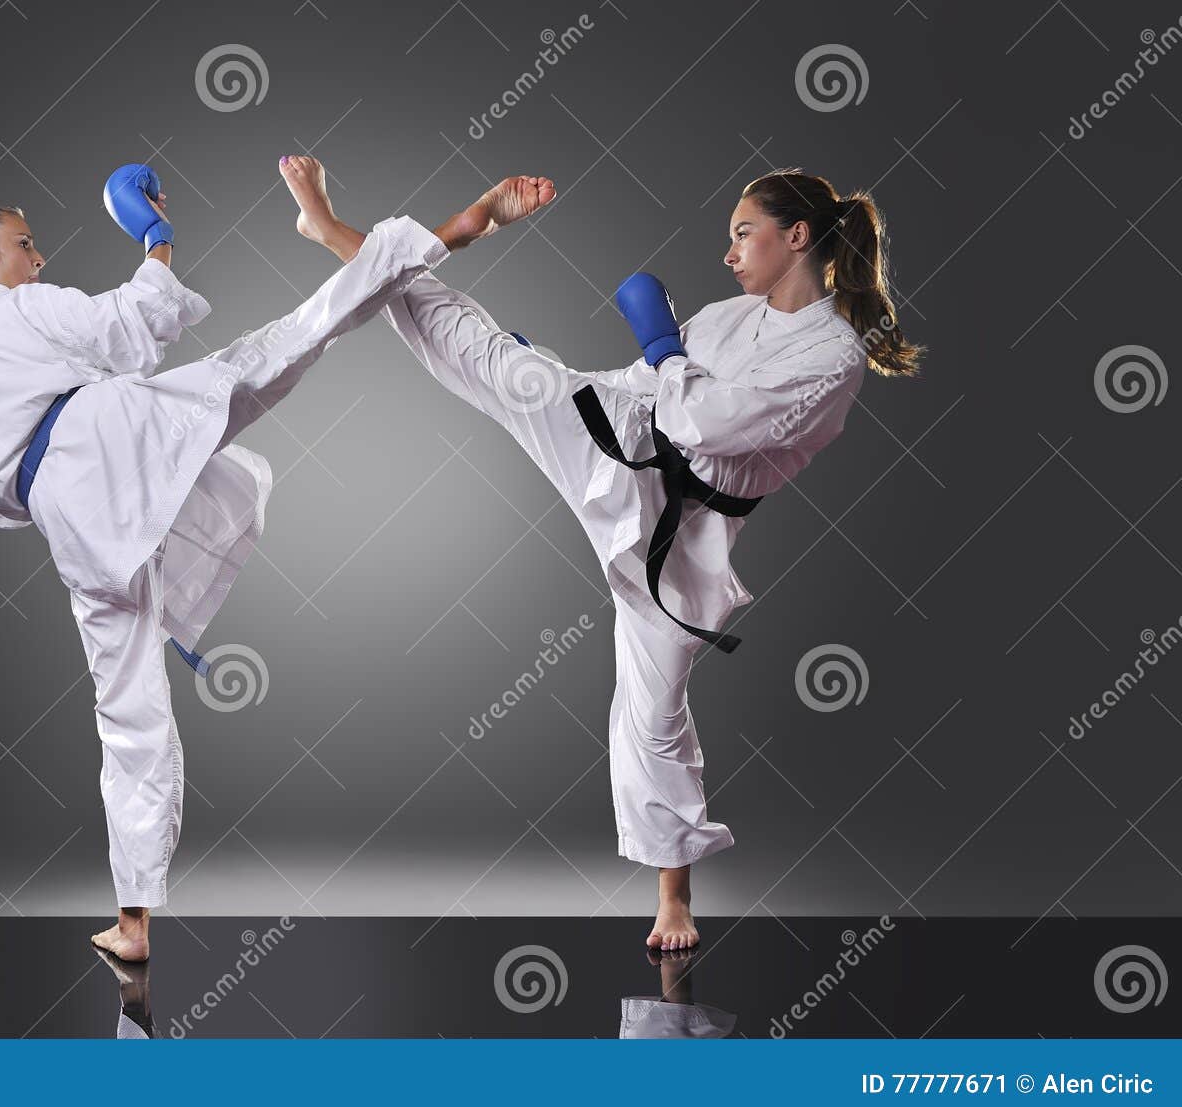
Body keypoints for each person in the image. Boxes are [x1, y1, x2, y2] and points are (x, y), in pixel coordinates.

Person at [0, 155, 552, 961]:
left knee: (128, 710)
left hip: (72, 520)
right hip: (111, 439)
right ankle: (441, 230)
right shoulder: (19, 308)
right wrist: (155, 236)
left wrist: (65, 495)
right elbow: (136, 320)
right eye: (24, 244)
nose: (36, 258)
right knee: (278, 346)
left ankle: (133, 921)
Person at [361, 169, 923, 950]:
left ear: (797, 236)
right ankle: (355, 249)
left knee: (654, 711)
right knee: (495, 362)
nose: (728, 253)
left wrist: (660, 342)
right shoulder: (731, 316)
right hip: (622, 444)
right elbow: (642, 387)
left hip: (690, 531)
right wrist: (564, 378)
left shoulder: (834, 356)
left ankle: (674, 901)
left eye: (741, 232)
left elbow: (707, 422)